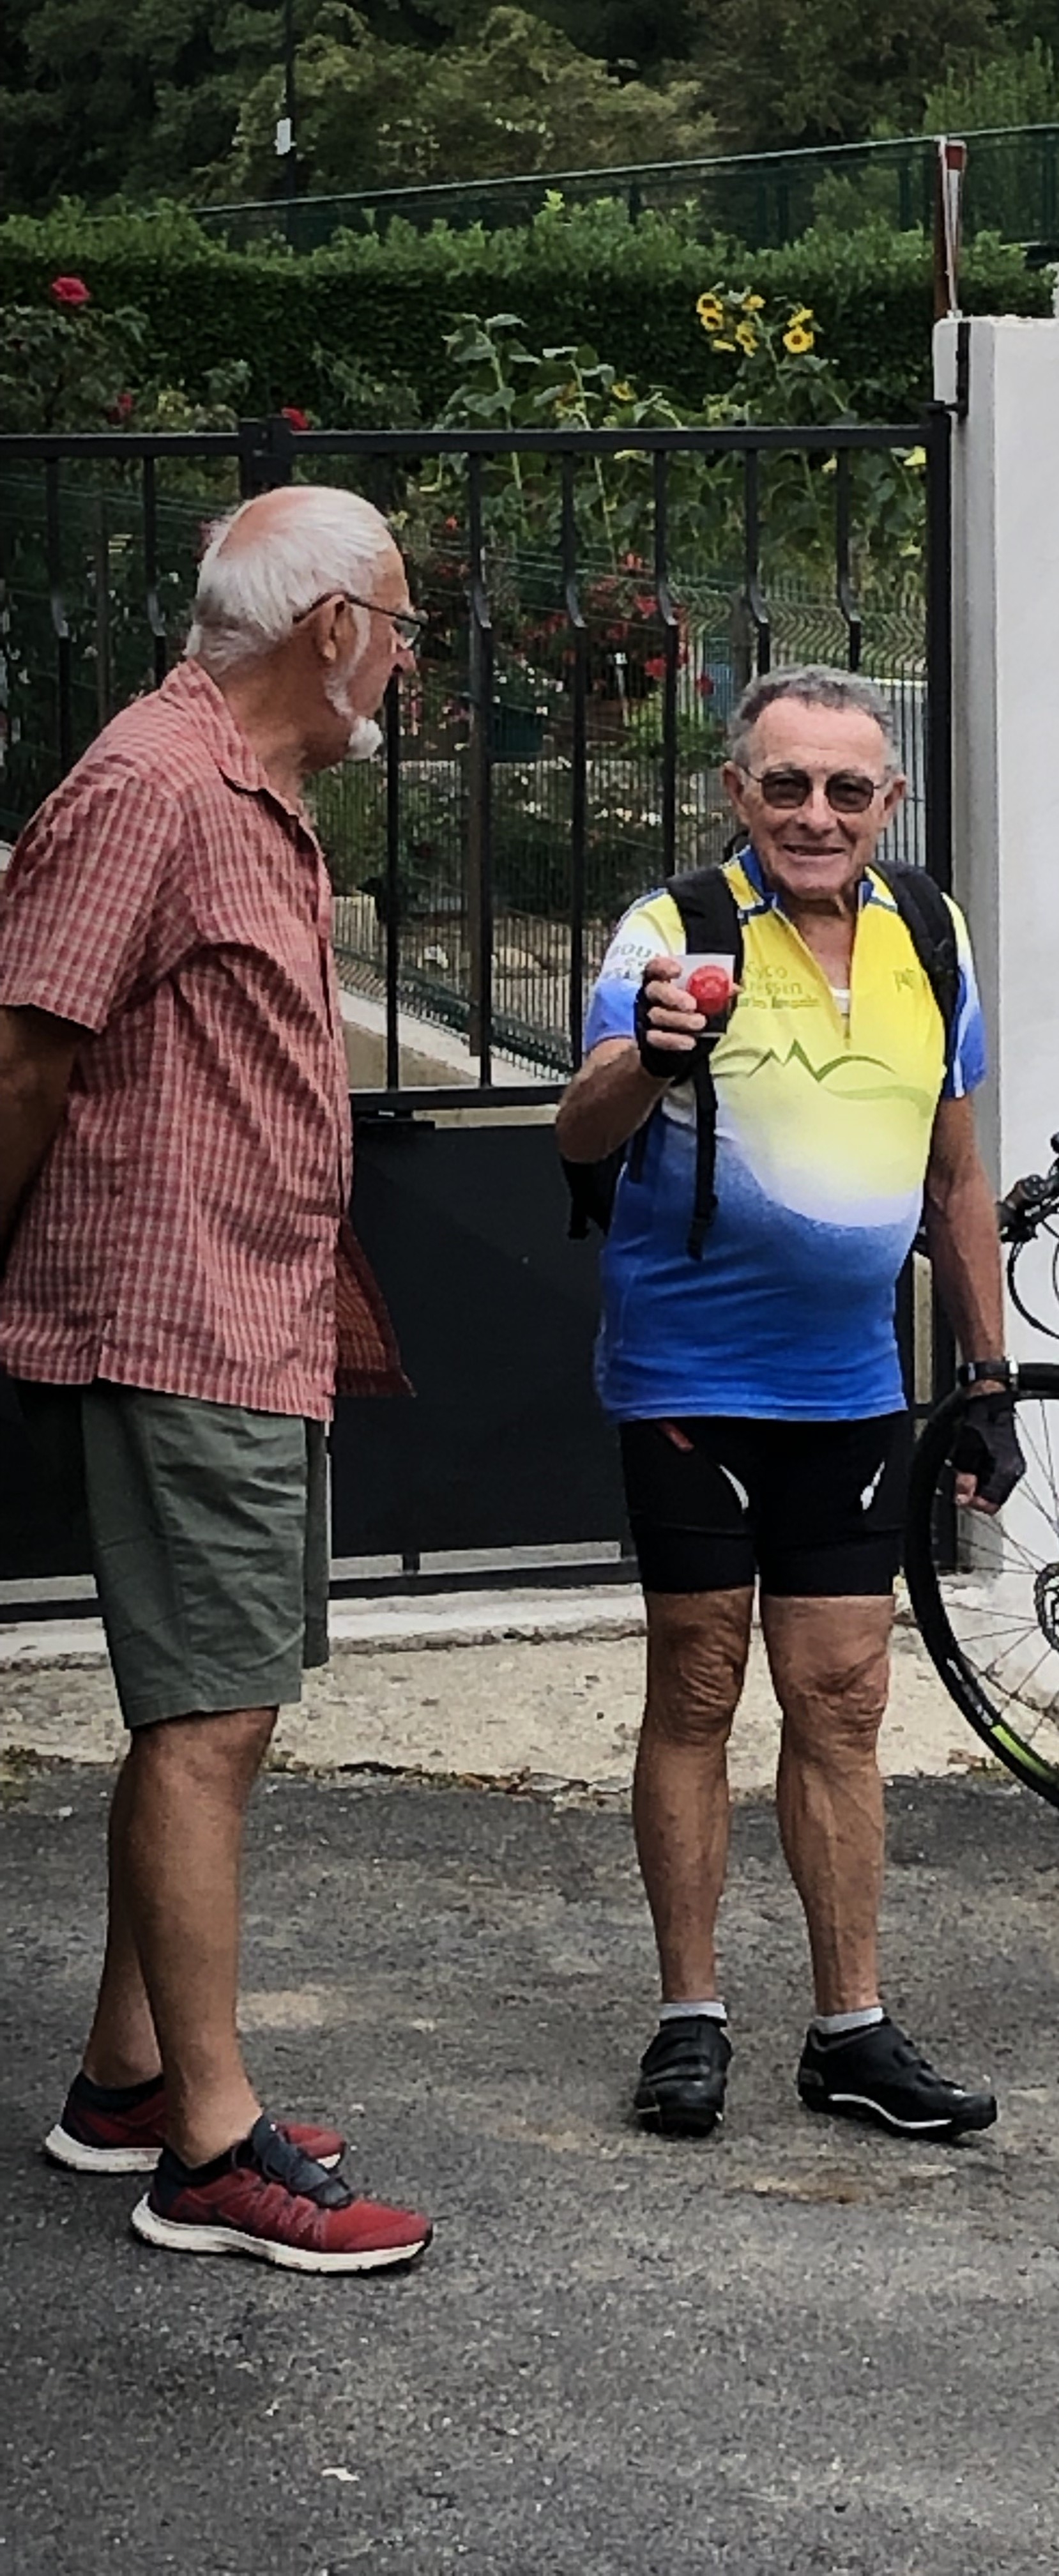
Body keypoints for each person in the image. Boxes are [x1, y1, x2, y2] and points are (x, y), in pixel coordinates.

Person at [0, 485, 432, 2274]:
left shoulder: (244, 792)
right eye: (400, 624)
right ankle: (213, 2147)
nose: (406, 659)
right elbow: (24, 1052)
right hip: (173, 1318)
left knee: (205, 1708)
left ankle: (126, 2081)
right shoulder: (158, 786)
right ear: (330, 625)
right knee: (212, 1722)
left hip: (243, 1311)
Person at [554, 665, 1020, 2145]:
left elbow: (956, 1177)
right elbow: (579, 1132)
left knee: (843, 1699)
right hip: (695, 1379)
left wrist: (991, 1372)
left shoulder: (930, 935)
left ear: (886, 802)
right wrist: (646, 1055)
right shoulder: (673, 933)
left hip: (852, 1389)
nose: (816, 814)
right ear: (736, 793)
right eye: (786, 785)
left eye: (847, 789)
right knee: (699, 1683)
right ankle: (691, 2016)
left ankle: (851, 2029)